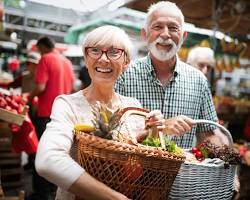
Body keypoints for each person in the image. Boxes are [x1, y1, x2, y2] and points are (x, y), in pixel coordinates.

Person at [35, 25, 167, 200]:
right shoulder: (67, 105)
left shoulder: (133, 108)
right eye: (95, 51)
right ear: (86, 58)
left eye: (113, 52)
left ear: (126, 62)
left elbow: (143, 165)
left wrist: (153, 132)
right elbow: (48, 160)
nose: (103, 59)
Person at [115, 1, 227, 149]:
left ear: (183, 36)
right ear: (144, 34)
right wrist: (161, 129)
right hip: (133, 170)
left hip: (183, 172)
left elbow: (207, 134)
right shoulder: (123, 75)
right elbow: (114, 133)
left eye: (173, 28)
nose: (165, 34)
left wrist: (225, 149)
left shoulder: (199, 81)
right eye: (157, 27)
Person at [27, 36, 75, 200]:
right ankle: (53, 189)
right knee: (57, 154)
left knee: (40, 153)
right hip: (63, 115)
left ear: (42, 47)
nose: (38, 52)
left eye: (38, 49)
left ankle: (41, 193)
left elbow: (40, 86)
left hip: (46, 113)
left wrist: (28, 95)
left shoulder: (45, 59)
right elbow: (72, 87)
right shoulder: (67, 62)